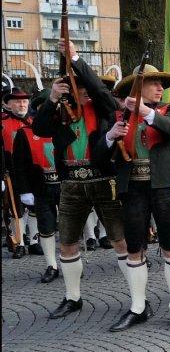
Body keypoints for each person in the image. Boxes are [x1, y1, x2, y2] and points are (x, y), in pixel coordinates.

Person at [33, 41, 131, 320]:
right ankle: (72, 297)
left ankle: (137, 297)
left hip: (102, 179)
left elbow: (100, 90)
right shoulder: (61, 111)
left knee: (119, 240)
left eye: (84, 88)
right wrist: (52, 97)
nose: (83, 93)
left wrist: (74, 57)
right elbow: (39, 128)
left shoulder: (102, 107)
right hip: (72, 183)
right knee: (68, 242)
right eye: (78, 89)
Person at [100, 64, 170, 332]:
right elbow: (100, 156)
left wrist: (146, 113)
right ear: (137, 88)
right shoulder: (119, 116)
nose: (160, 88)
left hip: (165, 187)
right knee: (134, 249)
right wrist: (109, 137)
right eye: (153, 83)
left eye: (161, 83)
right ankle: (138, 307)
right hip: (133, 189)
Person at [3, 88, 33, 258]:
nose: (22, 104)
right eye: (17, 101)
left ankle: (35, 241)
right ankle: (19, 243)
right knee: (16, 210)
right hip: (11, 173)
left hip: (33, 172)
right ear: (9, 104)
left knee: (36, 208)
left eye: (24, 101)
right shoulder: (3, 123)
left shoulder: (34, 121)